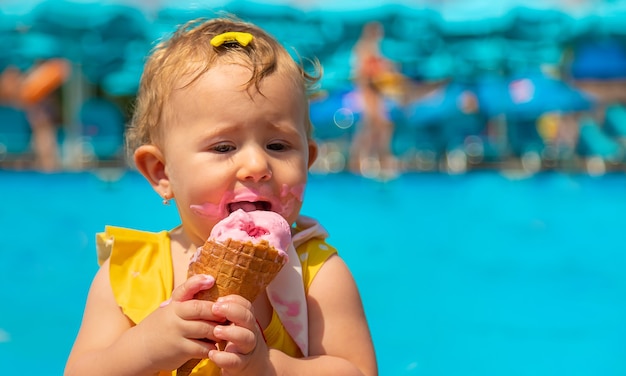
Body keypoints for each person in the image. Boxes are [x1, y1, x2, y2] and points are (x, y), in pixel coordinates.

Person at [64, 17, 377, 376]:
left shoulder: (316, 274)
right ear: (161, 172)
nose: (257, 165)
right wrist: (147, 347)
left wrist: (270, 367)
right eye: (224, 146)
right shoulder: (128, 273)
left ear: (308, 160)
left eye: (278, 145)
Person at [348, 21, 400, 179]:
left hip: (375, 93)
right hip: (369, 92)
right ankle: (361, 162)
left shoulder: (372, 49)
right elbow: (364, 74)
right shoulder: (364, 48)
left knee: (379, 126)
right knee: (372, 126)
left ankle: (376, 161)